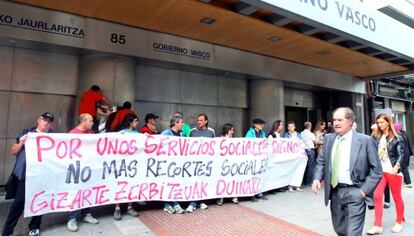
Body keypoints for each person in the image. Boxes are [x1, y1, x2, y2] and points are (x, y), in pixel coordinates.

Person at [312, 107, 382, 236]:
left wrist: (363, 191)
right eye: (334, 120)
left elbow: (377, 170)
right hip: (335, 192)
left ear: (350, 121)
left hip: (355, 192)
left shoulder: (365, 140)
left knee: (352, 233)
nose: (336, 123)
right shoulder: (329, 139)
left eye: (340, 120)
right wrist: (316, 179)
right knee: (340, 230)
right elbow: (321, 161)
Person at [2, 112, 55, 236]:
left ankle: (34, 226)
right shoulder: (27, 133)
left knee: (40, 200)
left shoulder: (53, 136)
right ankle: (7, 231)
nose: (46, 123)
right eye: (44, 120)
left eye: (49, 121)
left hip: (42, 175)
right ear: (39, 120)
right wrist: (21, 142)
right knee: (18, 203)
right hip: (26, 175)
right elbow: (13, 151)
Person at [367, 114, 405, 234]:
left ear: (388, 122)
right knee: (377, 196)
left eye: (382, 122)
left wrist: (397, 166)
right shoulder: (376, 136)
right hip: (380, 171)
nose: (379, 125)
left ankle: (399, 221)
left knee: (396, 197)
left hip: (393, 171)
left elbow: (401, 153)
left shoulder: (397, 137)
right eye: (378, 122)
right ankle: (377, 225)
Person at [67, 113, 99, 232]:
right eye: (90, 121)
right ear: (83, 122)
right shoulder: (73, 134)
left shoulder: (91, 133)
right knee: (76, 193)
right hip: (76, 169)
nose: (92, 123)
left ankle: (86, 214)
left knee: (87, 191)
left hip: (88, 169)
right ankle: (72, 219)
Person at [113, 114, 140, 220]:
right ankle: (117, 208)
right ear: (130, 122)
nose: (137, 123)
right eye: (135, 121)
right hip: (121, 164)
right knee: (119, 185)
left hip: (132, 165)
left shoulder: (137, 134)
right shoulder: (121, 133)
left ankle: (129, 206)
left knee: (131, 185)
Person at [187, 113, 215, 212]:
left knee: (203, 182)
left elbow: (214, 146)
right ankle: (193, 202)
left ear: (206, 121)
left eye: (201, 120)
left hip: (206, 163)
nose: (199, 122)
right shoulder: (192, 132)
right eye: (198, 120)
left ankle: (200, 201)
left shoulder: (211, 132)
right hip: (194, 162)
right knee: (194, 182)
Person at [160, 116, 186, 214]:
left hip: (179, 163)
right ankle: (170, 204)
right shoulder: (165, 134)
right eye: (181, 122)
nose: (182, 124)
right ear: (175, 123)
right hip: (168, 163)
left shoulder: (182, 134)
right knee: (169, 183)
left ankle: (172, 204)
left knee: (176, 183)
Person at [245, 118, 269, 201]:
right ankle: (252, 195)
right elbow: (247, 142)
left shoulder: (263, 133)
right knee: (252, 176)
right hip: (252, 157)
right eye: (259, 124)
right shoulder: (250, 132)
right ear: (255, 125)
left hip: (260, 157)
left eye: (262, 124)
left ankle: (259, 192)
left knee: (260, 175)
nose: (261, 126)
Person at [217, 123, 239, 205]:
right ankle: (220, 198)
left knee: (233, 180)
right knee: (222, 181)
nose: (232, 132)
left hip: (232, 163)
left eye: (232, 130)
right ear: (226, 130)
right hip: (222, 164)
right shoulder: (219, 139)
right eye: (231, 130)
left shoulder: (234, 140)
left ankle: (234, 197)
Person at [284, 121, 303, 192]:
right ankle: (290, 186)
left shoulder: (299, 134)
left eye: (291, 126)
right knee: (290, 170)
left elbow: (302, 144)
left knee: (298, 171)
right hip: (290, 155)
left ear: (294, 127)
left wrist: (305, 154)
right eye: (289, 127)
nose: (290, 128)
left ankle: (297, 185)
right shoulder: (286, 135)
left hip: (298, 155)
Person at [394, 123, 413, 188]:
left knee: (403, 167)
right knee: (404, 167)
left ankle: (408, 182)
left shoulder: (399, 135)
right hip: (406, 152)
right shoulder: (404, 133)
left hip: (403, 153)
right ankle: (407, 181)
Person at [301, 121, 316, 186]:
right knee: (311, 166)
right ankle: (309, 182)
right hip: (311, 150)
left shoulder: (301, 133)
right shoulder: (311, 134)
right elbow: (315, 141)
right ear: (310, 126)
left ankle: (304, 181)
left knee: (304, 166)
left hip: (304, 151)